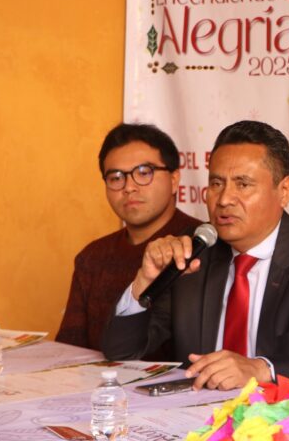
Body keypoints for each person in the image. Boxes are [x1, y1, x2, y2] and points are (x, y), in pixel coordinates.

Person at [101, 120, 289, 390]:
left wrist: (261, 369)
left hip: (280, 412)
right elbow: (121, 353)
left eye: (243, 184)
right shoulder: (195, 252)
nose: (224, 199)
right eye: (216, 183)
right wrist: (144, 284)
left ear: (284, 191)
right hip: (197, 409)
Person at [56, 123, 201, 351]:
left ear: (174, 180)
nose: (129, 187)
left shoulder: (199, 246)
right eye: (116, 177)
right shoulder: (92, 257)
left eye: (143, 173)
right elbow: (67, 350)